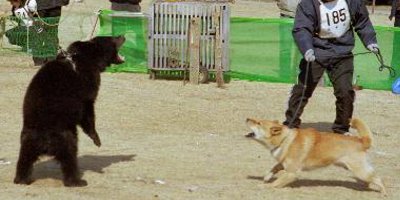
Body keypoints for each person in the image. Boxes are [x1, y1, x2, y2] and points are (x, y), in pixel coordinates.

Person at [283, 0, 379, 134]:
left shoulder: (352, 1)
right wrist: (307, 49)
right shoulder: (307, 4)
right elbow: (302, 28)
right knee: (302, 90)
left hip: (342, 53)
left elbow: (362, 22)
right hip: (316, 53)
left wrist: (370, 41)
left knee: (345, 92)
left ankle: (341, 129)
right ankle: (290, 125)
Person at [6, 0, 69, 66]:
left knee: (39, 34)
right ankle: (50, 62)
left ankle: (41, 62)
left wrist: (18, 5)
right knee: (50, 32)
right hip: (54, 4)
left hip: (39, 5)